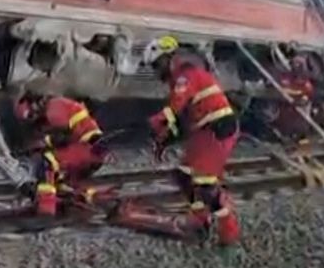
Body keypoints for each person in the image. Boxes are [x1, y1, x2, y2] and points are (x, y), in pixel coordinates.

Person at [115, 36, 240, 246]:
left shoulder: (184, 77)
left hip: (217, 129)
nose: (156, 72)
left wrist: (148, 124)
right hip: (205, 131)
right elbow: (179, 121)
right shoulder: (182, 79)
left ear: (167, 59)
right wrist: (164, 140)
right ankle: (199, 220)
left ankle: (229, 232)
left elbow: (172, 110)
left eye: (156, 65)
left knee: (205, 185)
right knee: (183, 176)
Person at [14, 92, 109, 215]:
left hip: (87, 148)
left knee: (47, 163)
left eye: (31, 114)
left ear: (35, 103)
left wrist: (40, 144)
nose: (34, 118)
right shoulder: (55, 108)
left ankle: (46, 211)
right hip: (91, 150)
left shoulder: (55, 106)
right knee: (59, 182)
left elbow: (63, 137)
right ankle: (85, 201)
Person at [275, 54, 315, 150]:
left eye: (299, 65)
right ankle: (287, 145)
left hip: (299, 112)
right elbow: (279, 89)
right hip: (286, 111)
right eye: (294, 64)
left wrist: (297, 102)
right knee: (285, 128)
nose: (296, 67)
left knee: (301, 129)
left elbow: (305, 99)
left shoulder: (306, 84)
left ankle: (303, 149)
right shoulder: (285, 78)